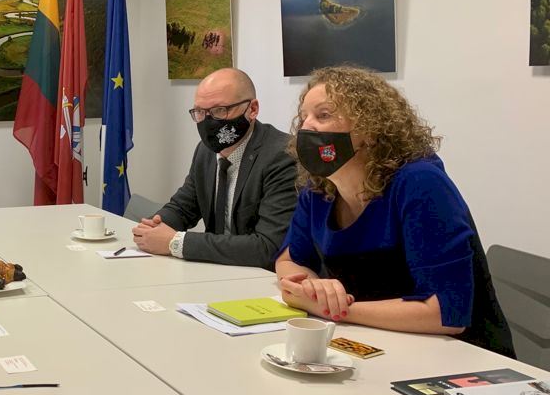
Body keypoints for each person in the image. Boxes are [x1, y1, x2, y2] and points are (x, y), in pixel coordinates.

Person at [275, 66, 514, 356]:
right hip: (376, 344)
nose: (306, 127)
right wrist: (314, 289)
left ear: (370, 128)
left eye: (323, 115)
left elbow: (445, 313)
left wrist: (333, 309)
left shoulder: (420, 183)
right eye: (303, 118)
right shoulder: (319, 187)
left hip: (461, 357)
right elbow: (289, 260)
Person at [132, 68, 297, 269]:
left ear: (252, 109)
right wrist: (154, 227)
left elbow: (267, 247)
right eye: (200, 112)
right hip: (216, 271)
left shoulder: (283, 156)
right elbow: (183, 207)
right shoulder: (206, 151)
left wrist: (175, 242)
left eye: (220, 110)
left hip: (260, 277)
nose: (208, 122)